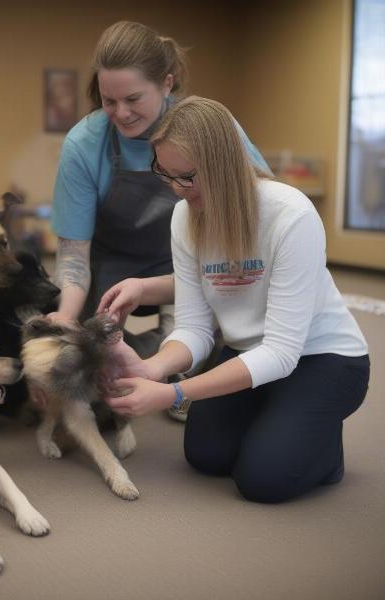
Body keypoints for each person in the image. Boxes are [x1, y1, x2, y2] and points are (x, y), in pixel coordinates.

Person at [98, 96, 370, 504]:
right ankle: (281, 418)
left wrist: (175, 393)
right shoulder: (185, 216)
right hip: (250, 352)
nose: (176, 188)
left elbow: (281, 353)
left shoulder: (290, 214)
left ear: (222, 165)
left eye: (186, 176)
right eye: (166, 174)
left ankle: (326, 451)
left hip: (323, 359)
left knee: (263, 479)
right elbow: (193, 328)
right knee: (206, 456)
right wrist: (152, 368)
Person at [49, 21, 269, 368]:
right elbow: (74, 255)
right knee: (92, 355)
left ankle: (177, 361)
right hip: (110, 262)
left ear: (167, 83)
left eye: (133, 98)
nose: (121, 113)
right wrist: (65, 317)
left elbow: (264, 202)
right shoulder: (84, 144)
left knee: (187, 358)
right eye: (109, 101)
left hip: (189, 256)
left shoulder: (209, 129)